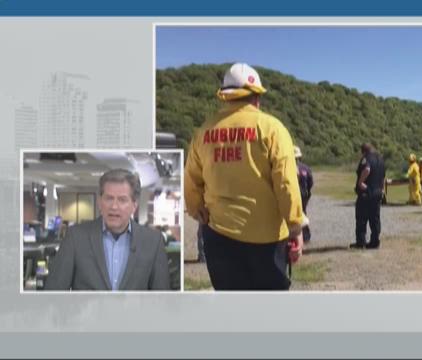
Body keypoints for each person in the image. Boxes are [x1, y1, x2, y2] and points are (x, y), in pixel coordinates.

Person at [184, 63, 304, 290]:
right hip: (266, 241)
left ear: (225, 97)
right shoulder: (272, 129)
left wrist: (198, 211)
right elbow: (286, 184)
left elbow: (191, 181)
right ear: (257, 97)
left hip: (219, 237)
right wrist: (295, 227)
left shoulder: (203, 132)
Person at [44, 169, 171, 291]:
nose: (114, 206)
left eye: (122, 200)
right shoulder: (75, 237)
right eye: (109, 198)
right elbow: (53, 294)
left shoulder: (153, 242)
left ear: (134, 206)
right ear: (100, 202)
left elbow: (162, 300)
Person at [352, 143, 386, 249]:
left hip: (367, 191)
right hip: (378, 192)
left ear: (363, 151)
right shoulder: (380, 160)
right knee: (375, 218)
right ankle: (375, 242)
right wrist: (382, 189)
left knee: (362, 217)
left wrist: (360, 182)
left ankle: (361, 242)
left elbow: (367, 169)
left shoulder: (366, 159)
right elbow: (383, 176)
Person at [294, 146, 314, 243]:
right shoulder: (306, 168)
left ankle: (296, 236)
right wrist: (307, 192)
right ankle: (306, 236)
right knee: (303, 213)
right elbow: (311, 182)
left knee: (295, 215)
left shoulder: (290, 167)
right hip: (304, 194)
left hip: (295, 194)